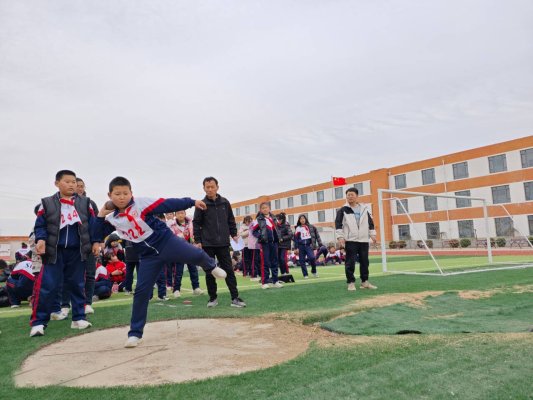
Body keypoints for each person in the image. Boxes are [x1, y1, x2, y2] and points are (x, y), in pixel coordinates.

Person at [94, 176, 227, 347]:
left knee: (196, 255)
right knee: (141, 292)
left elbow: (167, 204)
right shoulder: (113, 219)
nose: (121, 197)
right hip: (148, 256)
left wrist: (191, 201)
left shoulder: (141, 204)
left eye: (125, 193)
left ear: (131, 193)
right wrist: (101, 214)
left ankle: (211, 266)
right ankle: (135, 333)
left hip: (166, 242)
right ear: (109, 195)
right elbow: (95, 232)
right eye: (117, 194)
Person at [30, 170, 99, 337]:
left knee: (77, 285)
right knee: (48, 287)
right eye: (67, 181)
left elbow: (93, 224)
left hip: (77, 251)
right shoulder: (46, 203)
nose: (71, 185)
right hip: (54, 252)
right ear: (57, 183)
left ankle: (78, 319)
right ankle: (38, 323)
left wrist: (96, 241)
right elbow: (40, 225)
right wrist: (41, 239)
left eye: (74, 182)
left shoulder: (86, 203)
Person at [193, 177, 246, 308]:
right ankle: (212, 298)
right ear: (204, 188)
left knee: (229, 270)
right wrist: (198, 240)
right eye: (207, 187)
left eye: (212, 186)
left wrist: (234, 234)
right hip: (207, 244)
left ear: (217, 187)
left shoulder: (224, 202)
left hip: (223, 243)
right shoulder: (201, 204)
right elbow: (196, 223)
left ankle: (235, 298)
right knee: (210, 272)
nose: (210, 189)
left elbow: (231, 220)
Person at [335, 187, 378, 291]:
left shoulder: (364, 209)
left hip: (363, 240)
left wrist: (372, 234)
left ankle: (365, 282)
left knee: (365, 262)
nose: (350, 197)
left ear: (357, 196)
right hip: (351, 240)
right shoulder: (343, 210)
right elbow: (338, 224)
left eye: (352, 194)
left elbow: (370, 223)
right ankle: (350, 282)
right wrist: (340, 237)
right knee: (350, 262)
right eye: (348, 195)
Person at [168, 210, 203, 298]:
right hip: (179, 250)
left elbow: (195, 233)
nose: (181, 215)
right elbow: (171, 236)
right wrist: (181, 235)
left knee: (193, 269)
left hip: (190, 248)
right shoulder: (172, 224)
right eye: (178, 213)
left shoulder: (191, 222)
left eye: (182, 213)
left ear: (185, 214)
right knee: (178, 271)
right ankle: (176, 290)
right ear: (175, 215)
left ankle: (196, 288)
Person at [251, 202, 283, 289]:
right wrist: (260, 237)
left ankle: (275, 281)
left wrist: (279, 237)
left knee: (275, 262)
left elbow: (278, 228)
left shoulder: (274, 218)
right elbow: (253, 231)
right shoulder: (258, 219)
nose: (265, 209)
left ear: (269, 208)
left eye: (266, 207)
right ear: (260, 210)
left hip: (274, 243)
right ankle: (264, 282)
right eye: (263, 208)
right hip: (265, 244)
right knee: (265, 262)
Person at [294, 214, 323, 278]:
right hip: (301, 246)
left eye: (303, 218)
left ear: (305, 219)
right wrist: (296, 247)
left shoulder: (311, 227)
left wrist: (320, 243)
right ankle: (305, 274)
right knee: (302, 261)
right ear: (299, 220)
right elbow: (296, 238)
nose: (302, 220)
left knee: (312, 258)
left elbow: (317, 235)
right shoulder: (298, 228)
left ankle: (314, 271)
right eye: (301, 219)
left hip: (309, 245)